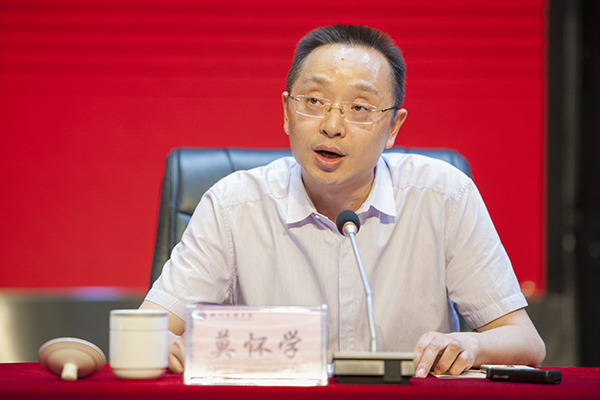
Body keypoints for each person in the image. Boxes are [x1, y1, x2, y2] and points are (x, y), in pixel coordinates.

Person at [140, 24, 546, 377]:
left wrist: (470, 345)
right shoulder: (233, 205)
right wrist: (169, 345)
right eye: (314, 102)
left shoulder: (443, 197)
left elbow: (525, 341)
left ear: (393, 127)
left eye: (359, 108)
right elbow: (145, 332)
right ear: (287, 112)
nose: (332, 126)